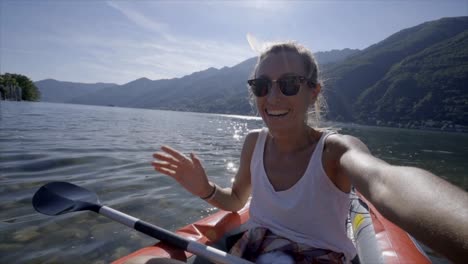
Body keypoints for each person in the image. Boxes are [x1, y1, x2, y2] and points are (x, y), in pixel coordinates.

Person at [150, 42, 468, 263]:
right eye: (261, 85)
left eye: (288, 84)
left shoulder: (334, 150)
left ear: (313, 92)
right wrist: (203, 188)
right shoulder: (253, 142)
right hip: (254, 247)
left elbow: (385, 182)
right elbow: (235, 201)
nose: (272, 97)